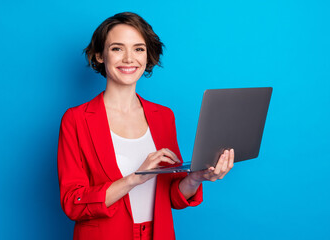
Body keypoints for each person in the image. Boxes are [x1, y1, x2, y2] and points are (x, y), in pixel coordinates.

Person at [57, 12, 234, 240]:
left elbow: (171, 195)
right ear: (100, 55)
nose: (129, 58)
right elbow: (73, 203)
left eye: (139, 49)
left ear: (148, 55)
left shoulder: (163, 116)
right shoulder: (76, 119)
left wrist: (195, 178)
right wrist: (135, 178)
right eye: (117, 48)